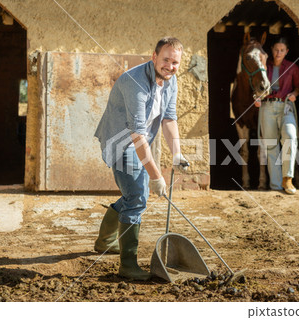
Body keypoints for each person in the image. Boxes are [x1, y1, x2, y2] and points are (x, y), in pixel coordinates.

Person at [93, 37, 189, 280]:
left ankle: (105, 240)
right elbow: (137, 135)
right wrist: (156, 176)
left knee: (134, 194)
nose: (170, 66)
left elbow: (169, 118)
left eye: (175, 62)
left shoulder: (171, 80)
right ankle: (128, 265)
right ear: (154, 57)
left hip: (139, 140)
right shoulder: (136, 82)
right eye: (165, 59)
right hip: (120, 141)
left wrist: (176, 153)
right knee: (137, 197)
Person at [256, 37, 299, 194]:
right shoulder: (264, 67)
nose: (278, 53)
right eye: (276, 50)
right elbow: (256, 85)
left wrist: (294, 94)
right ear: (271, 50)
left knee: (290, 135)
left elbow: (298, 87)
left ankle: (287, 179)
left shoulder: (292, 67)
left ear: (286, 51)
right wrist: (256, 97)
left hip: (285, 105)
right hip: (267, 106)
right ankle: (275, 185)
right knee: (271, 145)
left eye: (282, 50)